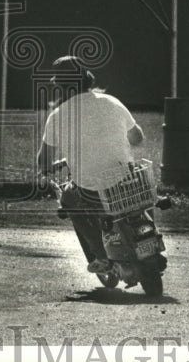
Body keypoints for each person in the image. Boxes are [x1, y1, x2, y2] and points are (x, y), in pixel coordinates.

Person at [37, 55, 144, 274]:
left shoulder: (57, 116)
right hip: (128, 182)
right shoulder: (112, 101)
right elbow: (137, 138)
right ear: (88, 79)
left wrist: (46, 169)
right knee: (139, 196)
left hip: (92, 192)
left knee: (68, 199)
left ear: (60, 86)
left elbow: (43, 160)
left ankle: (101, 255)